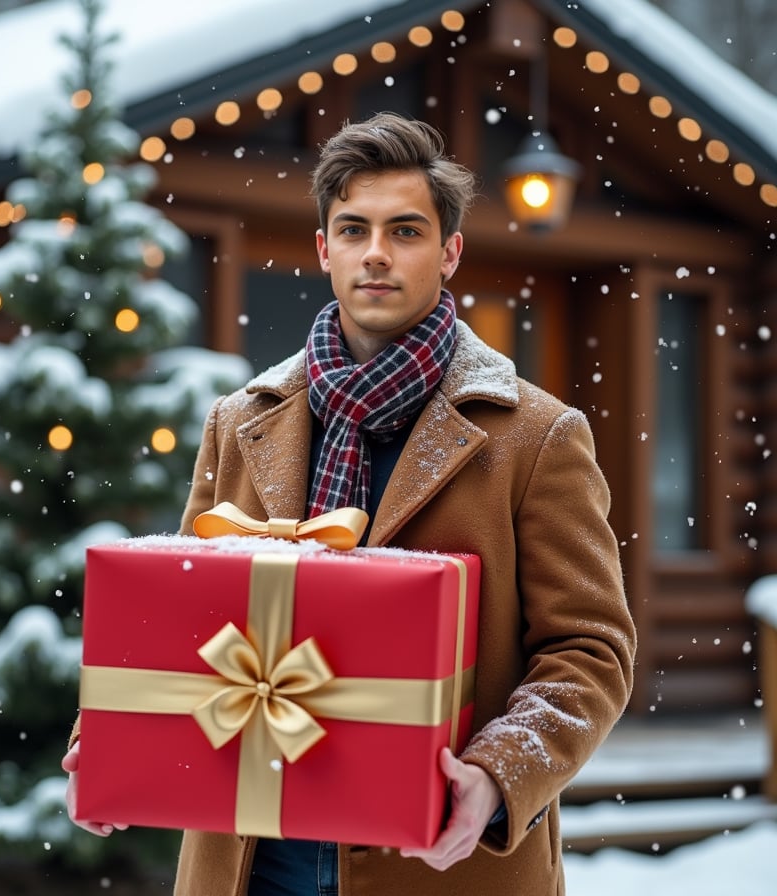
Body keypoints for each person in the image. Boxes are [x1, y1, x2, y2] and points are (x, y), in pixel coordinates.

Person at [63, 111, 636, 896]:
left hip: (441, 865)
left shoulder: (536, 437)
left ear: (450, 251)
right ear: (324, 248)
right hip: (251, 859)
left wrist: (497, 776)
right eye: (354, 229)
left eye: (405, 231)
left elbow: (591, 651)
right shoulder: (240, 421)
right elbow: (185, 616)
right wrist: (113, 732)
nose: (376, 254)